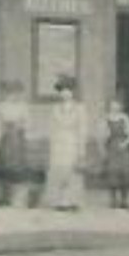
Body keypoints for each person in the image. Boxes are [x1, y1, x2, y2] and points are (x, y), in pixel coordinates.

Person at [42, 78, 87, 211]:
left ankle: (72, 200)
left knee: (72, 171)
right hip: (58, 142)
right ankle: (59, 201)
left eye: (68, 91)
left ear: (73, 92)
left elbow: (82, 129)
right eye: (62, 91)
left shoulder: (80, 108)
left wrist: (81, 149)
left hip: (72, 141)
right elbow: (52, 127)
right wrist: (52, 143)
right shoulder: (55, 109)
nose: (65, 94)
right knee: (58, 170)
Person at [0, 83, 32, 207]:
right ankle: (4, 196)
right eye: (9, 93)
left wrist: (19, 126)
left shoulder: (23, 107)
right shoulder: (0, 107)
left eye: (15, 93)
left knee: (18, 166)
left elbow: (28, 123)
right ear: (5, 94)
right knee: (4, 165)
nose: (12, 96)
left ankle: (18, 198)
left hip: (18, 139)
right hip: (4, 138)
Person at [102, 99, 129, 209]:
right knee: (112, 173)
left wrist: (125, 143)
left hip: (123, 147)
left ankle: (124, 200)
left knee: (125, 173)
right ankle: (113, 200)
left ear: (120, 106)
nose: (114, 108)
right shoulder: (105, 118)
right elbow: (102, 134)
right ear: (109, 107)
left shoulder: (125, 118)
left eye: (116, 105)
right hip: (111, 147)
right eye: (112, 106)